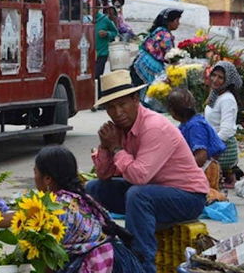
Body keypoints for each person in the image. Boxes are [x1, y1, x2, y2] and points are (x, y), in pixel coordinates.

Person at [85, 70, 208, 273]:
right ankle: (98, 253)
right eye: (111, 107)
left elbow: (139, 177)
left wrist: (116, 148)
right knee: (93, 189)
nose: (117, 112)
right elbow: (104, 174)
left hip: (188, 197)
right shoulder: (118, 130)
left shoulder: (154, 127)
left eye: (122, 104)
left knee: (138, 195)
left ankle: (140, 265)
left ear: (136, 99)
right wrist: (106, 146)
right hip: (153, 192)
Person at [16, 146, 142, 273]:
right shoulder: (78, 198)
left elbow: (50, 261)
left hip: (101, 265)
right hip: (113, 258)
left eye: (36, 172)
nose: (35, 177)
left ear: (48, 179)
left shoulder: (59, 207)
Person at [166, 87, 226, 191]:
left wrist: (182, 170)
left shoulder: (195, 126)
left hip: (206, 168)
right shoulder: (186, 124)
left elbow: (201, 157)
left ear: (173, 112)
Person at [204, 61, 242, 188]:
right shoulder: (215, 95)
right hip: (215, 143)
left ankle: (226, 171)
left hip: (223, 148)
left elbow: (226, 131)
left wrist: (210, 149)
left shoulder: (227, 100)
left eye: (220, 77)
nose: (215, 80)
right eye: (214, 75)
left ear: (228, 81)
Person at [130, 8, 183, 89]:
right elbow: (170, 55)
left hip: (140, 61)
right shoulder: (165, 35)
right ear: (169, 22)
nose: (179, 23)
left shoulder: (159, 30)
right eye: (177, 20)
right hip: (147, 66)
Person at [94, 5, 119, 110]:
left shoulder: (105, 20)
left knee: (98, 75)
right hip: (88, 52)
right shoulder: (86, 19)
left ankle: (100, 99)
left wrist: (107, 33)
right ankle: (92, 98)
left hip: (102, 52)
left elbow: (115, 33)